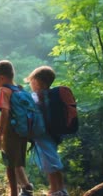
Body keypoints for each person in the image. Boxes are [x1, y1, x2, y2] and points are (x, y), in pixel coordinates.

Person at [0, 60, 33, 196]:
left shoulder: (4, 90)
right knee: (17, 161)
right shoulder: (20, 89)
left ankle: (26, 188)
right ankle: (17, 191)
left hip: (11, 132)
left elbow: (5, 113)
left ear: (1, 78)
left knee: (12, 163)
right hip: (23, 131)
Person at [25, 66, 69, 196]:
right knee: (49, 162)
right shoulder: (49, 96)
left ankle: (58, 190)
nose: (31, 85)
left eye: (32, 81)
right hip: (51, 134)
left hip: (44, 135)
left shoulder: (40, 96)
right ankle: (56, 189)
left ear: (40, 83)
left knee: (51, 163)